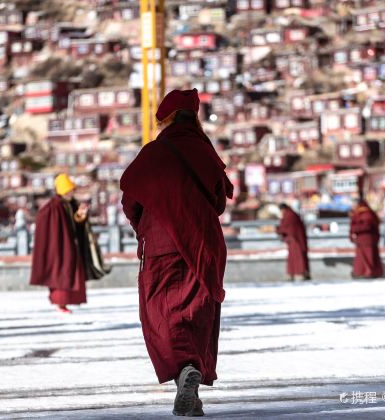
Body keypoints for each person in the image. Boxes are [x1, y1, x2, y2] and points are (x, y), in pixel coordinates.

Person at [120, 88, 233, 417]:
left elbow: (131, 199)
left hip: (161, 243)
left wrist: (144, 224)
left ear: (165, 118)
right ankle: (192, 382)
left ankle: (185, 372)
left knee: (161, 313)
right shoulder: (205, 151)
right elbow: (219, 201)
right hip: (204, 243)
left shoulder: (153, 152)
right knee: (197, 313)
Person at [30, 173, 106, 313]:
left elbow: (74, 223)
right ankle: (60, 303)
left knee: (71, 272)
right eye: (70, 190)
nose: (72, 192)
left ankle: (66, 302)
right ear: (64, 190)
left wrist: (81, 216)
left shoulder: (69, 204)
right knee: (61, 273)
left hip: (70, 244)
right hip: (59, 247)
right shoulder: (53, 207)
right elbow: (50, 227)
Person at [350, 197, 384, 279]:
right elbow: (352, 224)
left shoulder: (367, 213)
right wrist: (351, 234)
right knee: (361, 258)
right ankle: (361, 272)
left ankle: (369, 273)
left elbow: (367, 226)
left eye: (354, 204)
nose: (353, 206)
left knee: (369, 258)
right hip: (361, 240)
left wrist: (355, 229)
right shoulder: (357, 213)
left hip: (368, 239)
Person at [276, 203, 310, 281]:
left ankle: (300, 273)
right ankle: (293, 273)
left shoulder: (290, 215)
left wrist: (279, 230)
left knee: (297, 257)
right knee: (293, 257)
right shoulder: (290, 214)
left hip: (296, 240)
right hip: (294, 240)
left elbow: (287, 227)